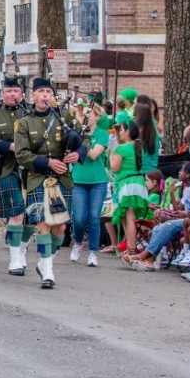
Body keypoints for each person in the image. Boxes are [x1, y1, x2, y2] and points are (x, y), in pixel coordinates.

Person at [15, 78, 87, 289]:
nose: (45, 95)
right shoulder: (24, 123)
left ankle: (45, 262)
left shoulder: (64, 116)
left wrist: (78, 154)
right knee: (43, 224)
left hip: (62, 178)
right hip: (38, 178)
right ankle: (47, 270)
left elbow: (85, 139)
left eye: (48, 92)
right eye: (41, 92)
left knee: (60, 227)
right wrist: (47, 163)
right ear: (33, 96)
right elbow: (21, 154)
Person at [0, 76, 32, 275]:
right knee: (17, 213)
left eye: (16, 91)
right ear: (3, 93)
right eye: (9, 91)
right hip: (8, 168)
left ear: (22, 93)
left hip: (32, 170)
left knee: (31, 217)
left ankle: (21, 250)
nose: (13, 95)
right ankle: (14, 260)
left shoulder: (30, 112)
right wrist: (10, 146)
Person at [69, 103, 110, 267]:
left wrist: (81, 141)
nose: (85, 117)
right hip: (78, 180)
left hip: (97, 181)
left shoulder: (102, 134)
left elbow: (93, 155)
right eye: (82, 114)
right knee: (79, 218)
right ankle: (78, 242)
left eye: (89, 114)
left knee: (94, 216)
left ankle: (93, 251)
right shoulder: (75, 133)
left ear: (97, 117)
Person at [109, 121, 150, 256]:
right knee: (126, 216)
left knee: (129, 216)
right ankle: (130, 247)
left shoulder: (121, 149)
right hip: (137, 182)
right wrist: (117, 134)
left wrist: (111, 155)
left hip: (127, 183)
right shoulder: (138, 147)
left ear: (127, 132)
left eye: (122, 130)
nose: (120, 133)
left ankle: (132, 249)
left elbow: (114, 168)